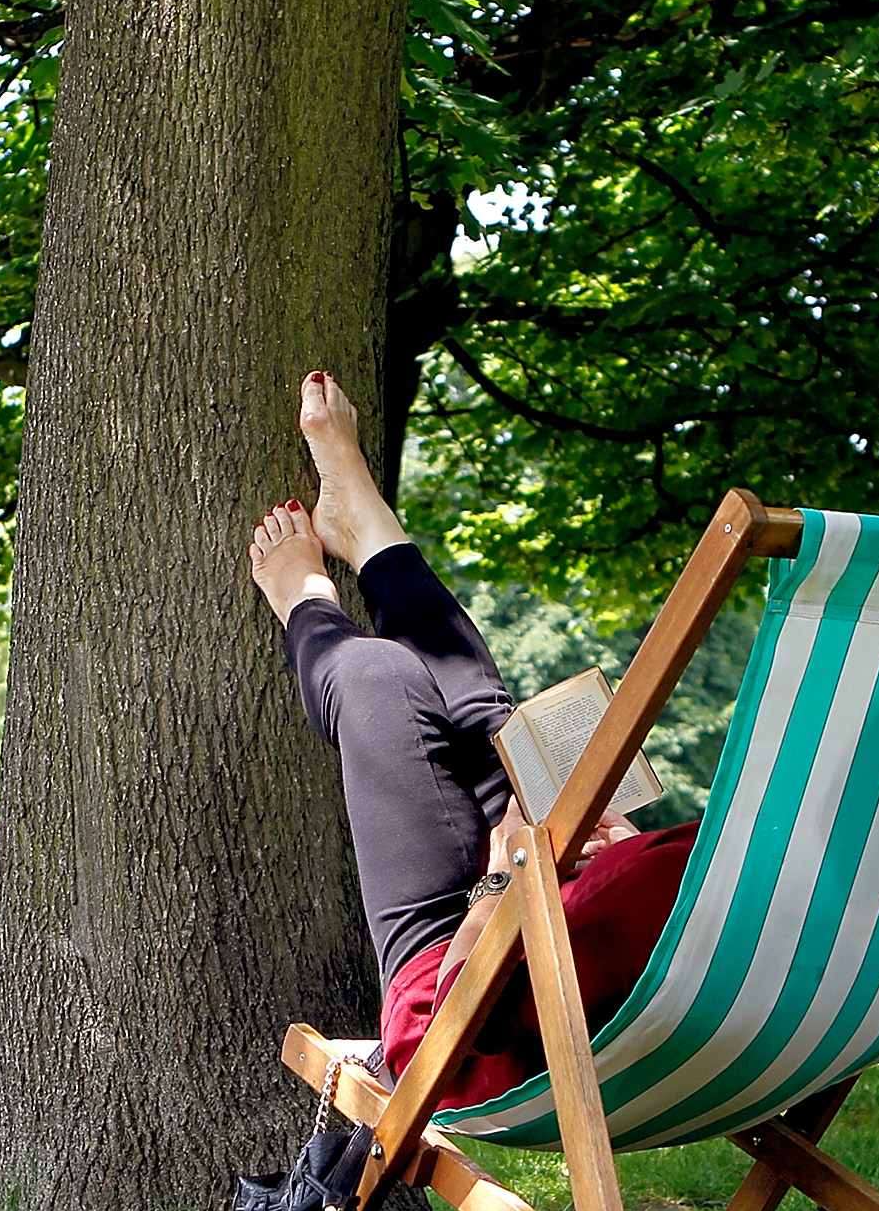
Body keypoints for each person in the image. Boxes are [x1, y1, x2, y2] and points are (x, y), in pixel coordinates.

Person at [251, 371, 695, 1112]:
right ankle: (366, 531)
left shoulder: (745, 860)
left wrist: (502, 879)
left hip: (464, 1024)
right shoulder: (859, 922)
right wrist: (614, 849)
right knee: (494, 725)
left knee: (374, 675)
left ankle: (313, 596)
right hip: (565, 957)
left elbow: (469, 1009)